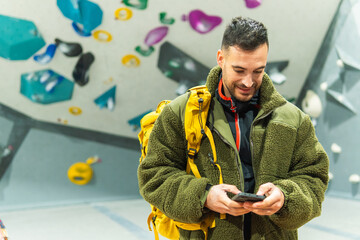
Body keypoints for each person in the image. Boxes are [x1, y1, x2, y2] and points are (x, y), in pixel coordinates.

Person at [138, 16, 329, 240]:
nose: (248, 82)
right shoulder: (182, 112)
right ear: (221, 58)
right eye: (239, 70)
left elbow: (314, 178)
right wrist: (204, 196)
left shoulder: (293, 119)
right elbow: (154, 176)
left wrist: (285, 198)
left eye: (258, 71)